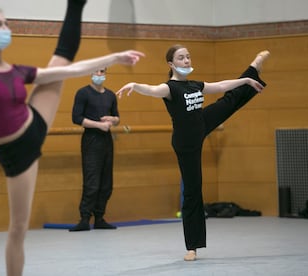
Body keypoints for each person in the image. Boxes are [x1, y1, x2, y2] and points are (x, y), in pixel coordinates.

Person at [0, 2, 144, 275]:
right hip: (16, 152)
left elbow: (71, 72)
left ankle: (75, 4)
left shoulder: (17, 71)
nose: (5, 29)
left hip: (35, 124)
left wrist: (112, 58)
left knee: (62, 61)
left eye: (5, 23)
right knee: (18, 228)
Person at [116, 44, 270, 262]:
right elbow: (152, 89)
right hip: (186, 141)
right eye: (181, 58)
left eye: (188, 57)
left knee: (229, 101)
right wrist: (134, 84)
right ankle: (192, 247)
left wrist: (245, 80)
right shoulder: (170, 88)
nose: (187, 60)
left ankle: (253, 68)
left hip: (202, 123)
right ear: (171, 64)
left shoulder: (195, 85)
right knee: (193, 191)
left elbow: (221, 85)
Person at [70, 68, 119, 231]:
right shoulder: (83, 93)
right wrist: (98, 125)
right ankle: (84, 218)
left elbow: (117, 117)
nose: (99, 74)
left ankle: (99, 217)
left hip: (107, 140)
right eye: (96, 72)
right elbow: (76, 118)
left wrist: (112, 120)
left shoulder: (110, 95)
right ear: (91, 74)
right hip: (91, 140)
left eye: (102, 71)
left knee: (106, 182)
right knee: (92, 181)